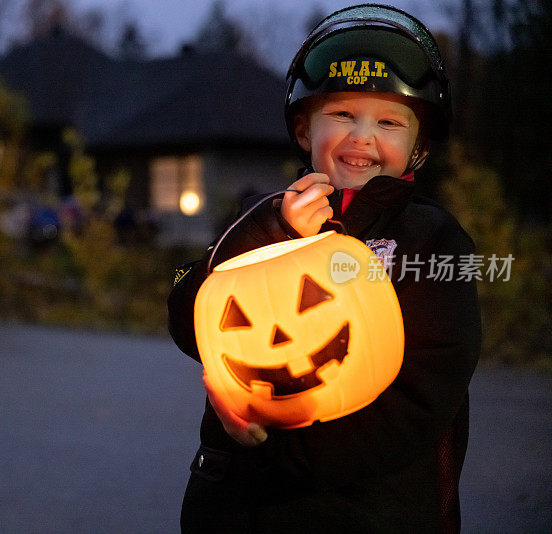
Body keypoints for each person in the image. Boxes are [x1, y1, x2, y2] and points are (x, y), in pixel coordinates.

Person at [167, 5, 481, 533]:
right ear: (302, 130)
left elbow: (428, 390)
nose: (362, 136)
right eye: (341, 115)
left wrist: (286, 455)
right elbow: (189, 318)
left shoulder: (433, 241)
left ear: (419, 147)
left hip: (372, 510)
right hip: (236, 506)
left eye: (388, 121)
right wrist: (272, 231)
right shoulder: (260, 219)